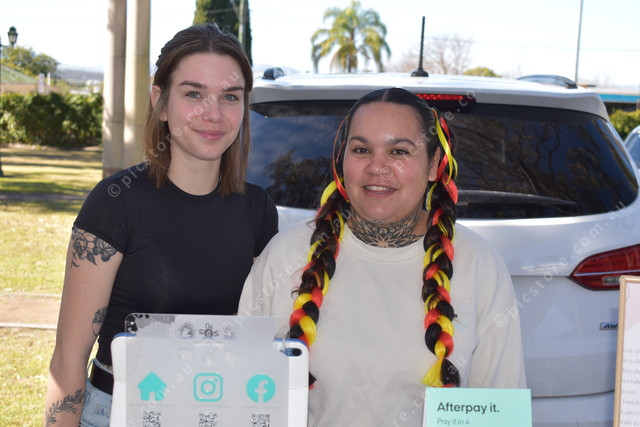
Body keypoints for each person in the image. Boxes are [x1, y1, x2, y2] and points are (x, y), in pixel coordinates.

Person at [238, 87, 526, 426]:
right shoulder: (286, 255)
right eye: (361, 150)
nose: (377, 167)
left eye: (399, 151)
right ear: (342, 161)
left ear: (434, 164)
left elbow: (499, 407)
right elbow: (243, 394)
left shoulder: (479, 265)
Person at [44, 24, 278, 426]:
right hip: (118, 410)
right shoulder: (115, 202)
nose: (214, 113)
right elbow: (69, 356)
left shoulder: (258, 209)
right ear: (161, 102)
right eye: (194, 94)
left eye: (230, 96)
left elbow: (262, 342)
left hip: (220, 411)